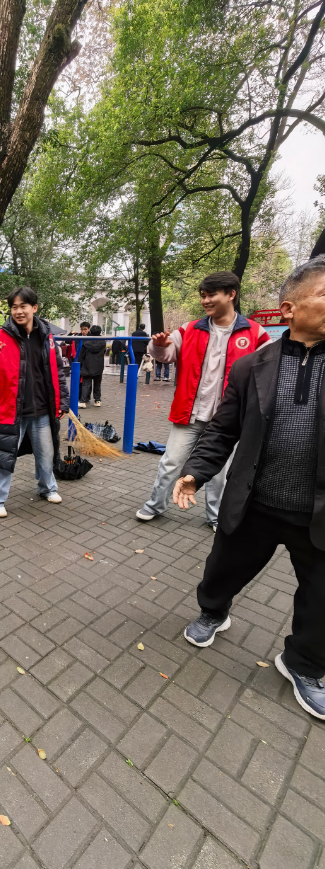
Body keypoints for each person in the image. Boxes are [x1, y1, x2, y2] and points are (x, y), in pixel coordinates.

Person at [173, 257, 325, 720]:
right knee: (222, 568)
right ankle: (213, 613)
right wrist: (196, 472)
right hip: (255, 500)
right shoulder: (251, 367)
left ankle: (304, 664)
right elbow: (222, 431)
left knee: (322, 595)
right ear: (289, 309)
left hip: (317, 512)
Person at [136, 271, 269, 530]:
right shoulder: (189, 329)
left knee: (218, 473)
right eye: (203, 296)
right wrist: (160, 345)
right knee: (171, 462)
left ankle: (216, 516)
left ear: (231, 295)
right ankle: (155, 505)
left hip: (227, 420)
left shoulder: (255, 333)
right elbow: (165, 355)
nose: (205, 301)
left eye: (211, 295)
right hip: (190, 412)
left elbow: (266, 369)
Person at [0, 286, 69, 518]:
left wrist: (62, 402)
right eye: (14, 307)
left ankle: (48, 488)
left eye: (23, 306)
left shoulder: (47, 337)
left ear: (34, 308)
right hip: (11, 410)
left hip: (42, 409)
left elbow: (59, 372)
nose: (18, 311)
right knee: (4, 456)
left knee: (47, 453)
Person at [78, 325, 106, 408]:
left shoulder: (85, 342)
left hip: (87, 365)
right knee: (97, 384)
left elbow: (81, 355)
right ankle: (97, 400)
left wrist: (80, 364)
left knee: (86, 384)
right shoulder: (103, 342)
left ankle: (83, 401)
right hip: (99, 365)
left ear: (91, 332)